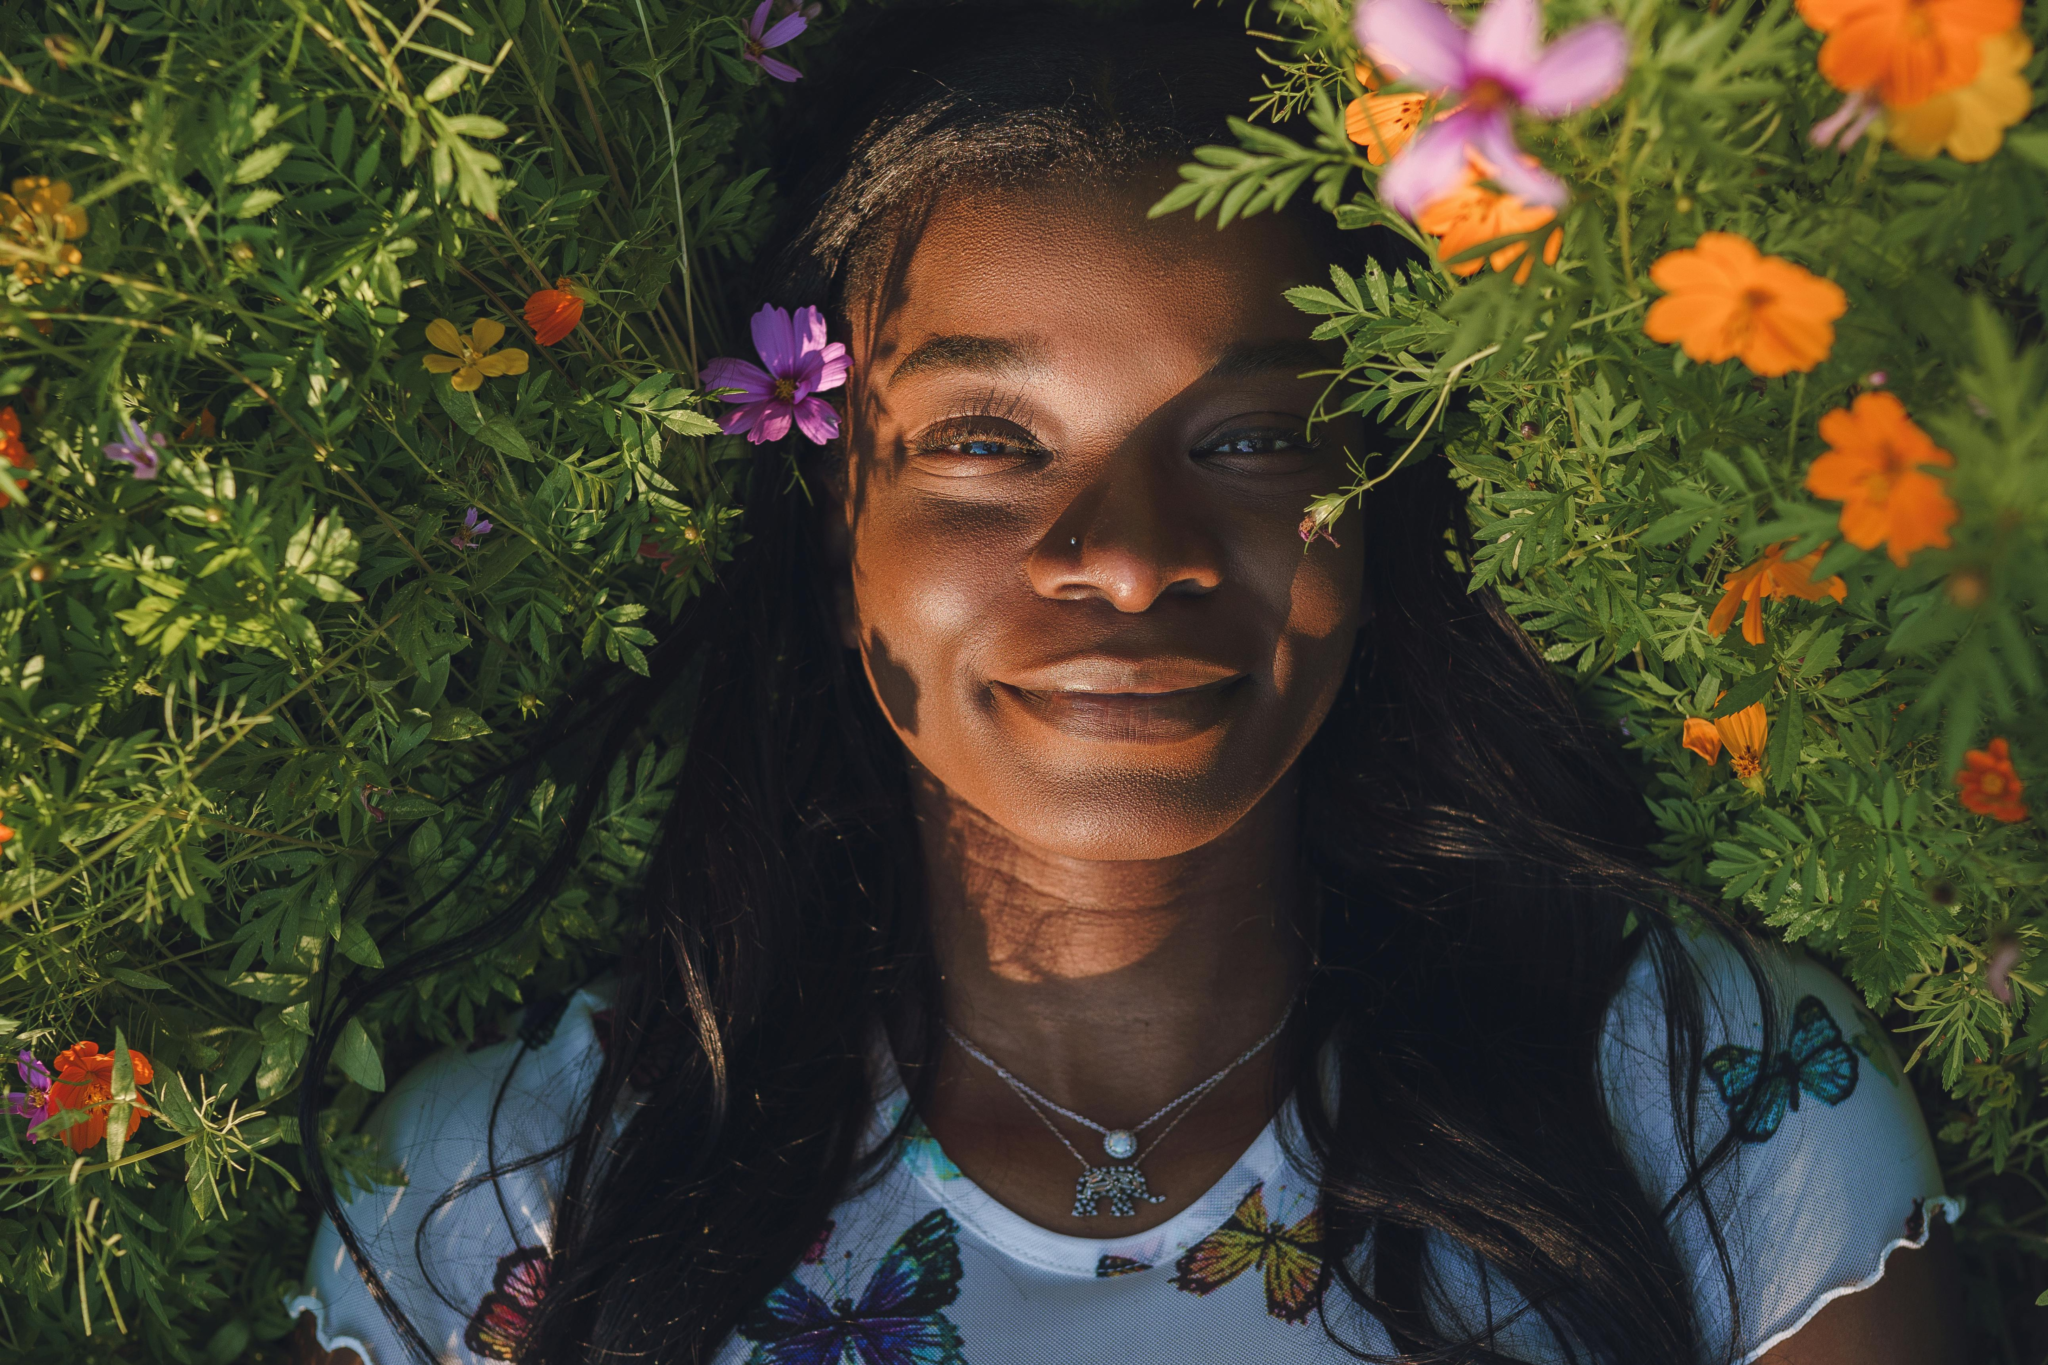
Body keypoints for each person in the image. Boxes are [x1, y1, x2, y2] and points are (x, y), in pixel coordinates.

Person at [290, 8, 1962, 1363]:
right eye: (986, 444)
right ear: (832, 511)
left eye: (1244, 438)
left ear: (1377, 507)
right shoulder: (505, 1211)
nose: (1125, 553)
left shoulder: (1711, 1120)